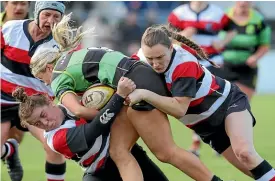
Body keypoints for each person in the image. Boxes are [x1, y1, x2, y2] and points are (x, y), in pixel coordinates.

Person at [30, 13, 224, 181]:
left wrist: (107, 112)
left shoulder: (57, 77)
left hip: (136, 85)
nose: (46, 84)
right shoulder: (72, 57)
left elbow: (79, 110)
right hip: (139, 77)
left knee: (164, 152)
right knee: (121, 151)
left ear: (48, 68)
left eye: (42, 79)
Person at [129, 24, 275, 181]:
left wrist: (145, 94)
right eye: (150, 59)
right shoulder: (140, 59)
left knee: (245, 153)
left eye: (160, 57)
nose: (155, 64)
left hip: (227, 104)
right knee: (254, 171)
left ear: (171, 48)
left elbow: (179, 109)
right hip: (205, 126)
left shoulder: (183, 64)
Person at [12, 79, 170, 181]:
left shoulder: (71, 103)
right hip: (101, 171)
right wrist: (119, 95)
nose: (44, 123)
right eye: (37, 124)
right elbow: (94, 129)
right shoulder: (55, 139)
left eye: (43, 115)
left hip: (128, 151)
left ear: (49, 101)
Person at [1, 2, 67, 181]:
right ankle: (9, 150)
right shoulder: (10, 29)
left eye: (56, 17)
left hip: (38, 102)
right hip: (4, 98)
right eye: (46, 15)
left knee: (53, 146)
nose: (50, 21)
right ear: (37, 13)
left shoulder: (63, 43)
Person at [167, 1, 238, 155]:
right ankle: (196, 144)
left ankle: (221, 141)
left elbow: (233, 29)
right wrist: (185, 34)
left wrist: (222, 42)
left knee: (218, 103)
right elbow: (168, 38)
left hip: (214, 62)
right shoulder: (179, 13)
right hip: (189, 63)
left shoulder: (217, 13)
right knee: (195, 104)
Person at [219, 1, 271, 101]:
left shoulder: (259, 20)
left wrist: (255, 57)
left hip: (247, 67)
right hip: (223, 65)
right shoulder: (222, 16)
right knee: (221, 102)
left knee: (243, 102)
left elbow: (265, 45)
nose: (243, 3)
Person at [1, 0, 30, 151]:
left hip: (24, 93)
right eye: (14, 3)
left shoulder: (35, 27)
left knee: (15, 138)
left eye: (23, 3)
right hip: (2, 90)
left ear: (29, 6)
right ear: (5, 4)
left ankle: (10, 153)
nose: (19, 7)